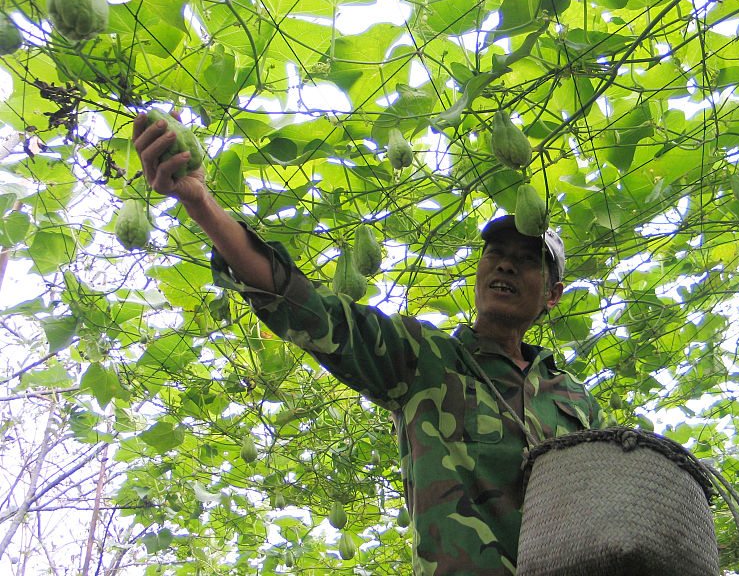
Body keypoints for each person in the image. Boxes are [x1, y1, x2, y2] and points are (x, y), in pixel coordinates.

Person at [133, 113, 605, 576]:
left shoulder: (577, 401)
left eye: (526, 260)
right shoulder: (422, 356)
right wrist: (201, 204)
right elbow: (308, 311)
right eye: (495, 255)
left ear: (552, 295)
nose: (505, 266)